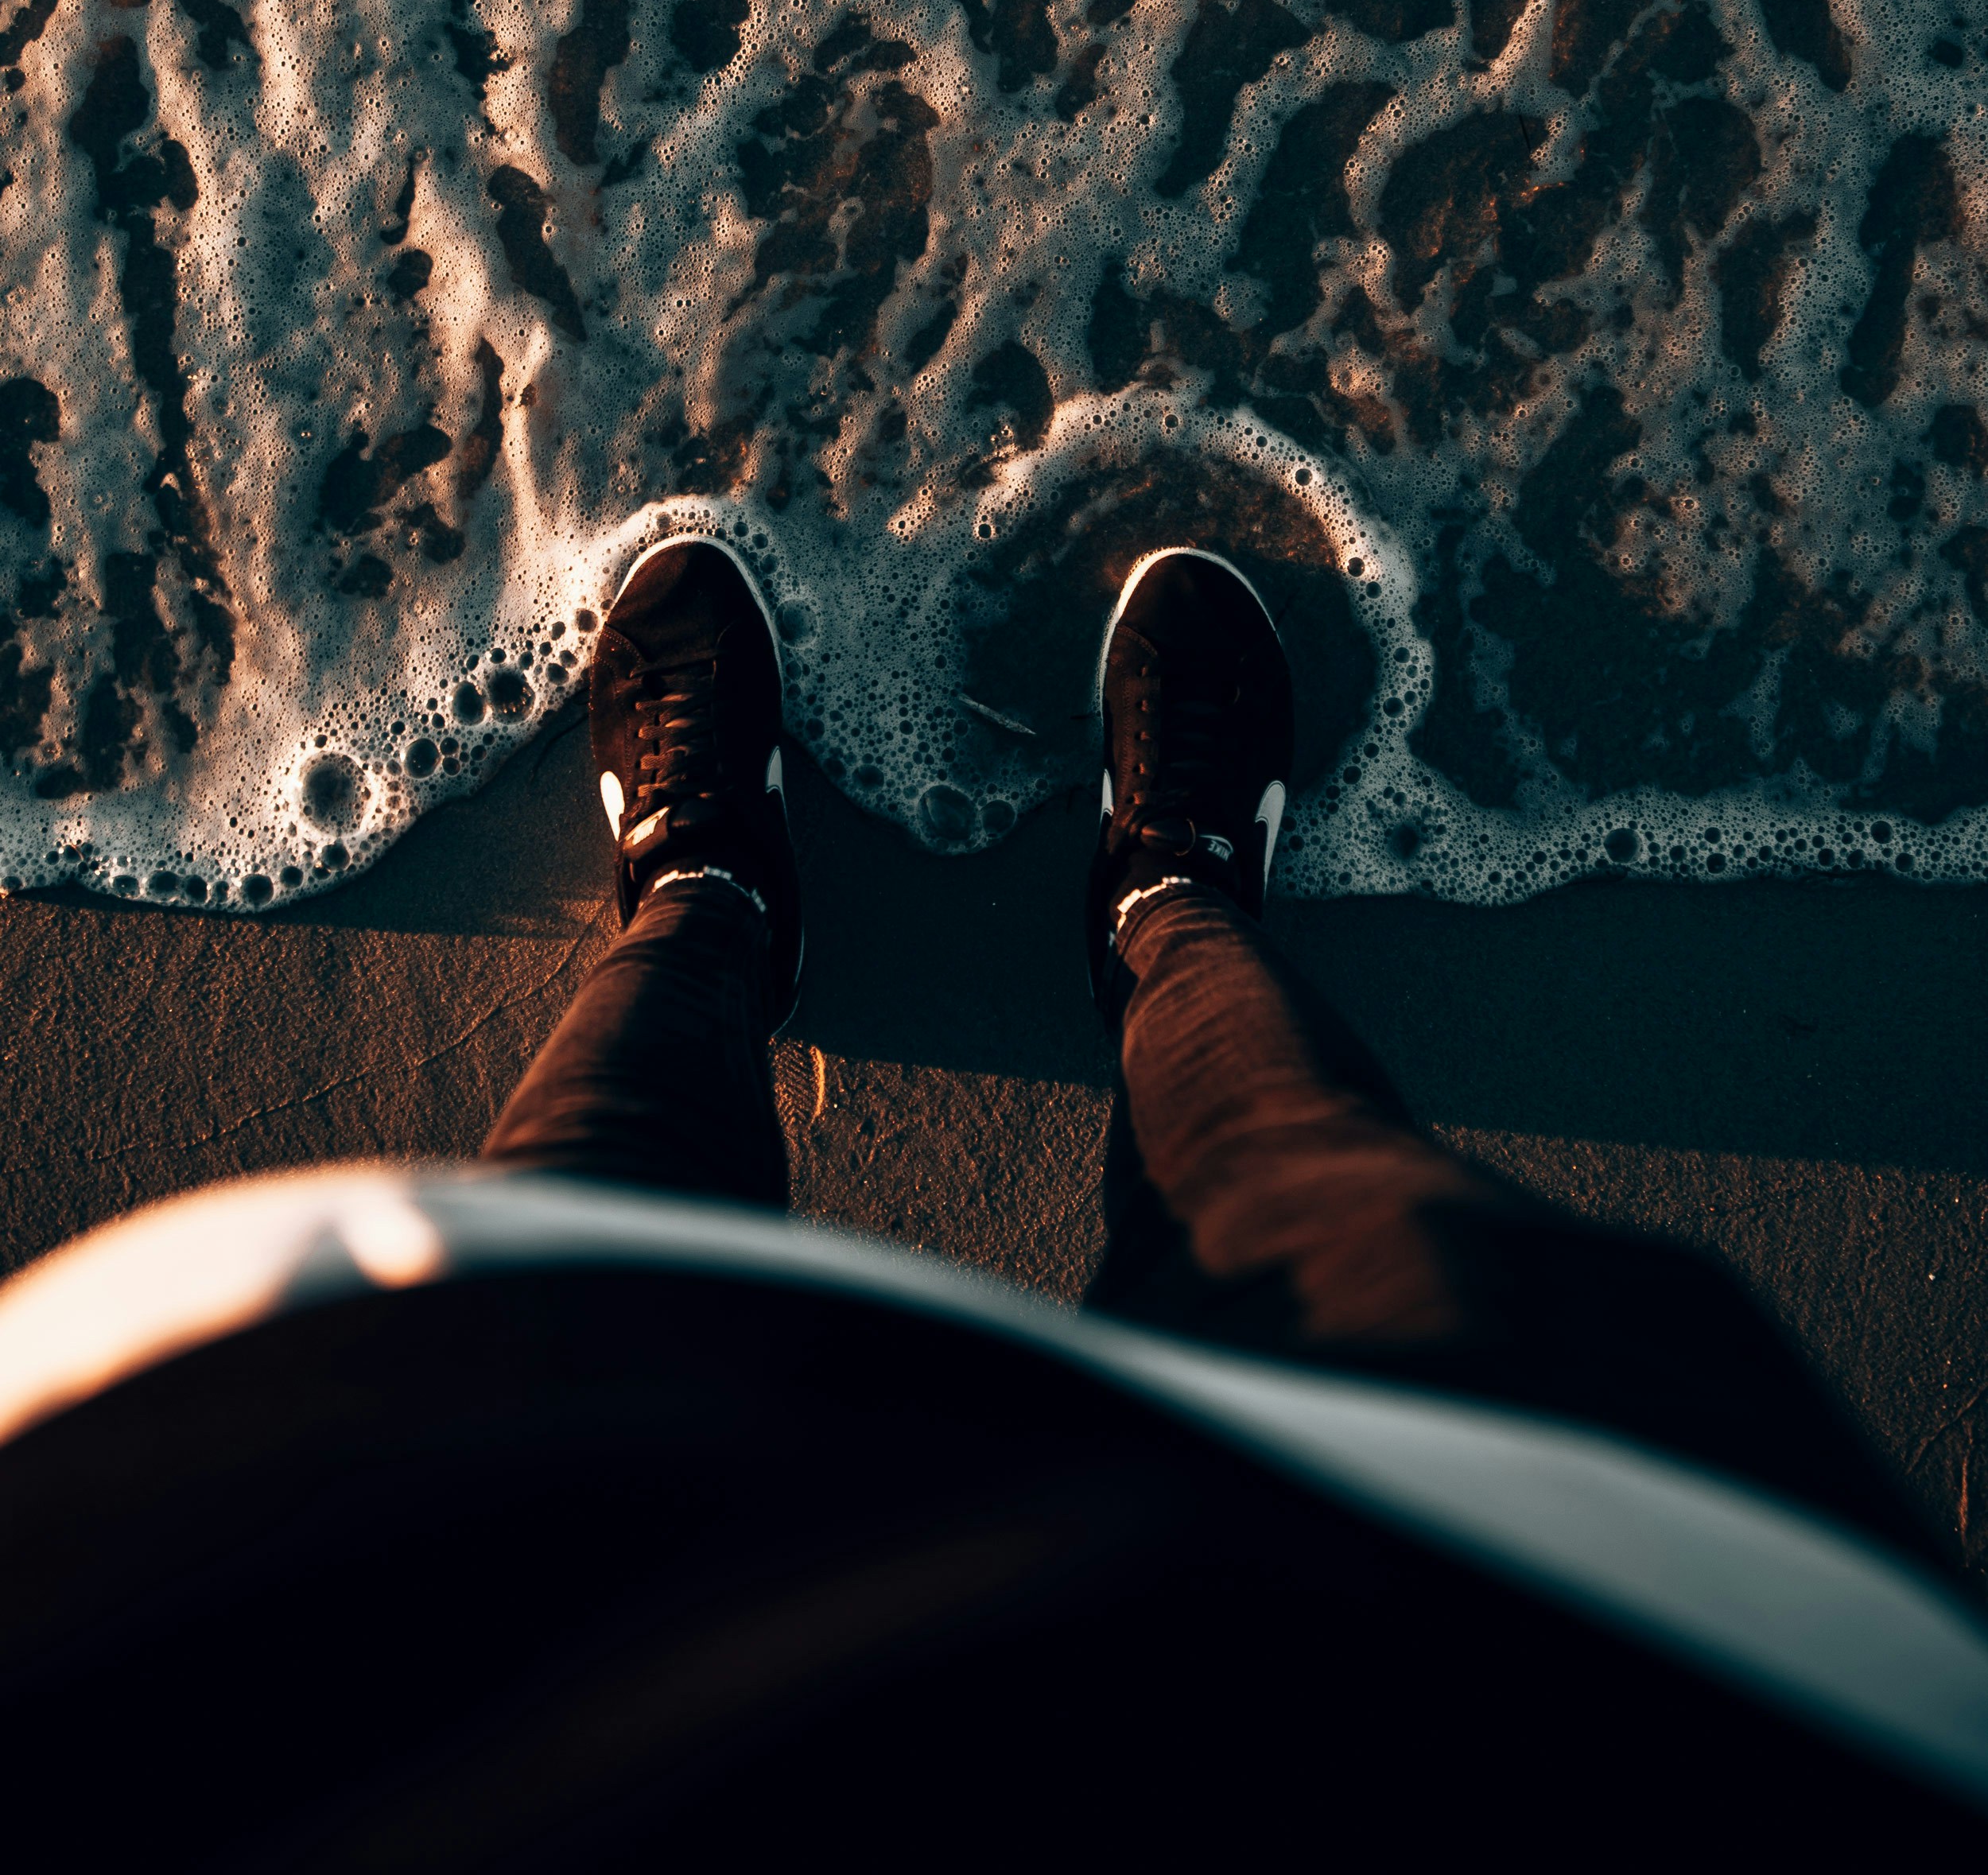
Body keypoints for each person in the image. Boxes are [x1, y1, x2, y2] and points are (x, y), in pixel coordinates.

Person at [2, 539, 1986, 1865]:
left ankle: (711, 891)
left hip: (378, 1628)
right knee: (1319, 1205)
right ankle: (1168, 899)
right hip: (1504, 1654)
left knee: (588, 1230)